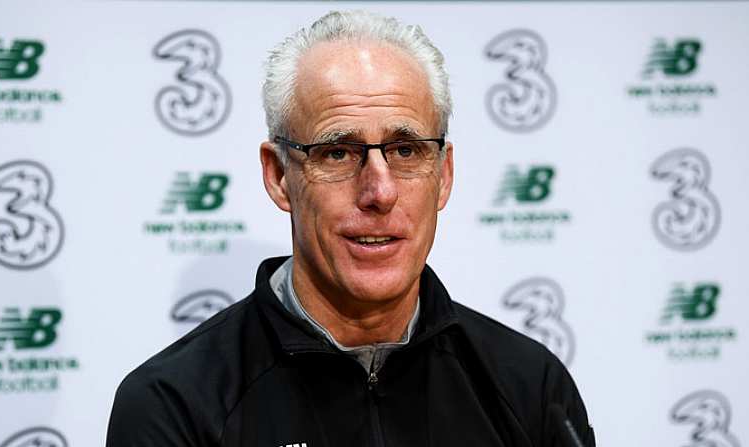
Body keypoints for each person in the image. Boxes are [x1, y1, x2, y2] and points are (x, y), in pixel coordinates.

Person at [107, 10, 595, 447]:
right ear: (279, 176)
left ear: (443, 176)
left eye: (406, 150)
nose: (379, 193)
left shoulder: (532, 387)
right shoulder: (174, 405)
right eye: (337, 152)